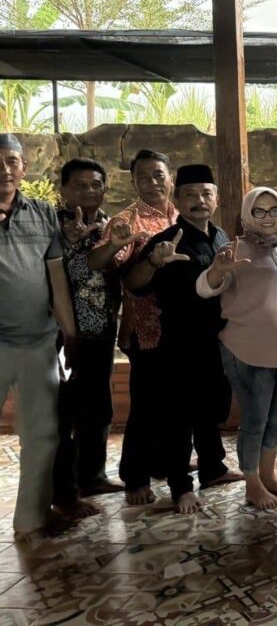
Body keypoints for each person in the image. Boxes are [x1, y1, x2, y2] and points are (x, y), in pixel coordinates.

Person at [126, 165, 242, 514]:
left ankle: (213, 468)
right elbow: (134, 284)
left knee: (210, 408)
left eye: (206, 194)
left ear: (216, 198)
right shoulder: (166, 241)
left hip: (215, 341)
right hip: (177, 345)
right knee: (178, 417)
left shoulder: (220, 236)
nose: (199, 201)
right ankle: (181, 487)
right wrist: (153, 261)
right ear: (177, 199)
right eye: (190, 195)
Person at [198, 187, 277, 510]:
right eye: (259, 211)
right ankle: (252, 483)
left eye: (274, 210)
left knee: (276, 417)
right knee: (255, 419)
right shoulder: (234, 248)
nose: (268, 217)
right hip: (246, 348)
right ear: (246, 215)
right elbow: (205, 288)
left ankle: (267, 474)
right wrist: (217, 272)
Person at [88, 148, 177, 506]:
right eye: (144, 176)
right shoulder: (126, 221)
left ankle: (164, 464)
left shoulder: (180, 213)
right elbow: (98, 261)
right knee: (144, 407)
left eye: (158, 175)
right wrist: (113, 245)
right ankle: (135, 477)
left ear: (169, 177)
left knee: (174, 403)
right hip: (146, 328)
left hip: (182, 327)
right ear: (133, 181)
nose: (153, 182)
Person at [0, 134, 78, 538]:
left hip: (37, 342)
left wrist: (69, 331)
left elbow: (57, 278)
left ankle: (30, 519)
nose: (4, 169)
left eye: (12, 161)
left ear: (23, 168)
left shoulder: (43, 214)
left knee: (43, 434)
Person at [52, 158, 123, 521]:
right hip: (65, 336)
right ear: (63, 189)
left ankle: (92, 476)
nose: (89, 192)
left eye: (96, 184)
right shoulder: (51, 226)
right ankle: (64, 491)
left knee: (98, 404)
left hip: (102, 330)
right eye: (80, 185)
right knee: (65, 412)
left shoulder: (109, 225)